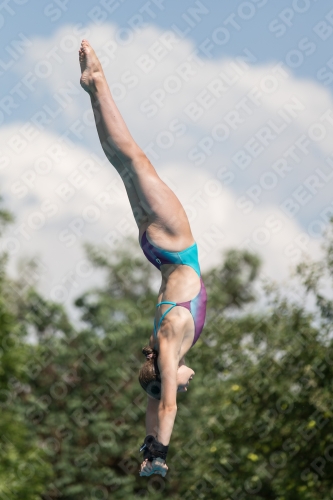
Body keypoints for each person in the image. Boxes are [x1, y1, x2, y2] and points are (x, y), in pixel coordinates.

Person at [79, 39, 207, 477]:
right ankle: (94, 90)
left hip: (175, 245)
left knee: (133, 156)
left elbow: (166, 403)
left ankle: (99, 83)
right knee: (123, 162)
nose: (184, 385)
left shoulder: (170, 347)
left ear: (163, 372)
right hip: (158, 251)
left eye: (174, 382)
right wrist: (147, 451)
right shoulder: (160, 346)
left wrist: (161, 457)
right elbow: (154, 406)